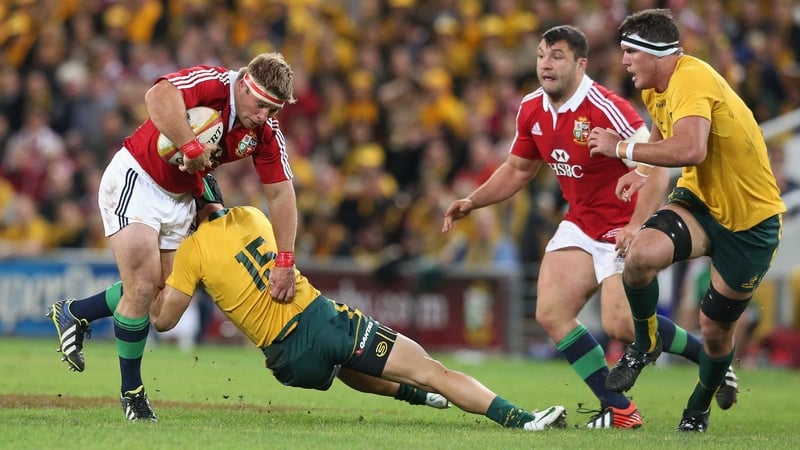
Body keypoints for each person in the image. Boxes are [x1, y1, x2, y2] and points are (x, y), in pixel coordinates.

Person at [442, 25, 729, 429]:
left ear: (580, 64)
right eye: (542, 54)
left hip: (621, 227)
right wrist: (473, 201)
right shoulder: (531, 108)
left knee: (619, 324)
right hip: (580, 223)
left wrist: (636, 225)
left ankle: (708, 358)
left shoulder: (607, 107)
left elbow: (655, 167)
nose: (545, 63)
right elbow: (518, 169)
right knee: (552, 312)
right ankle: (621, 410)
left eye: (557, 56)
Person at [147, 176, 568, 431]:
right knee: (432, 371)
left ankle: (418, 398)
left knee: (346, 364)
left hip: (287, 363)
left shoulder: (190, 253)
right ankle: (521, 419)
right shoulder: (253, 216)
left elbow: (164, 321)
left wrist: (150, 280)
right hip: (318, 321)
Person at [47, 52, 300, 422]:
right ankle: (132, 394)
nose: (263, 115)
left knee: (162, 311)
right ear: (243, 83)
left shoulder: (264, 131)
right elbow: (157, 97)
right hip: (138, 177)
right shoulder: (213, 83)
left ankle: (76, 312)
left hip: (182, 198)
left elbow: (281, 194)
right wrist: (192, 146)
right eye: (260, 104)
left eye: (272, 111)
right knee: (143, 282)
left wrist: (286, 260)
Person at [588, 9, 785, 432]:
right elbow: (662, 143)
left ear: (654, 52)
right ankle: (644, 344)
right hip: (700, 200)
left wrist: (622, 149)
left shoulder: (691, 79)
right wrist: (640, 180)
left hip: (751, 221)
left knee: (714, 331)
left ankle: (699, 405)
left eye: (628, 51)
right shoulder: (656, 87)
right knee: (640, 257)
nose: (622, 60)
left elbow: (691, 149)